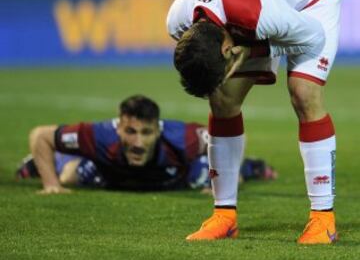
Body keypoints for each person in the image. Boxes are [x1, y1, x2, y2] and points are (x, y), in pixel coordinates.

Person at [166, 0, 341, 244]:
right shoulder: (177, 22)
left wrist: (253, 49)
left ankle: (323, 219)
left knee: (303, 92)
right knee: (221, 99)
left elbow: (314, 37)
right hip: (253, 4)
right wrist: (242, 53)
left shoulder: (259, 15)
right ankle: (224, 216)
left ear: (226, 47)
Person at [21, 95, 276, 193]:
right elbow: (40, 135)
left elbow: (233, 136)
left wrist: (225, 184)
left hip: (175, 175)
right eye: (130, 131)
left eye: (146, 132)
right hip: (110, 174)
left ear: (158, 130)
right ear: (119, 128)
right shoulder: (99, 135)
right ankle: (39, 164)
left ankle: (252, 167)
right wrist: (51, 185)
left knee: (211, 177)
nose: (138, 142)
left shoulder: (183, 137)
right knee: (69, 176)